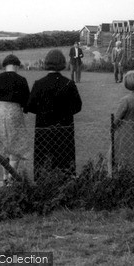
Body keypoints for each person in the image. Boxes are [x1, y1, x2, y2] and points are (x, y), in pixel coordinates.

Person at [26, 49, 82, 181]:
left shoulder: (39, 84)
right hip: (64, 128)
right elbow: (77, 106)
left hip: (43, 129)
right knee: (65, 159)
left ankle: (42, 183)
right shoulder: (69, 84)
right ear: (62, 63)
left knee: (43, 159)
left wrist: (44, 112)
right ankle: (66, 183)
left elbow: (30, 106)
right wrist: (64, 113)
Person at [0, 54, 30, 183]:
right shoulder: (21, 80)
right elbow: (26, 100)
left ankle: (4, 176)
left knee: (2, 144)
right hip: (14, 111)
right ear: (15, 65)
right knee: (16, 144)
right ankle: (12, 178)